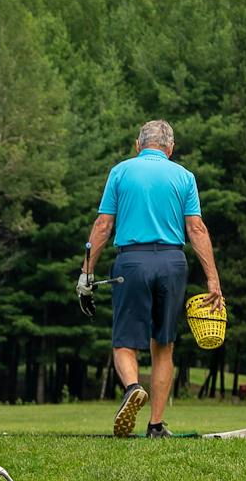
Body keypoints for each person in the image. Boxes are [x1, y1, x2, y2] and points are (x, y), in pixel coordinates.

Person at [76, 121, 223, 438]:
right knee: (164, 346)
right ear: (170, 148)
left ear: (137, 145)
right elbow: (196, 229)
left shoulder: (121, 172)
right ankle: (155, 425)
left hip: (132, 261)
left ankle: (132, 388)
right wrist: (213, 280)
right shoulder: (184, 176)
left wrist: (86, 273)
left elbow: (103, 225)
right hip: (172, 262)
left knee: (125, 342)